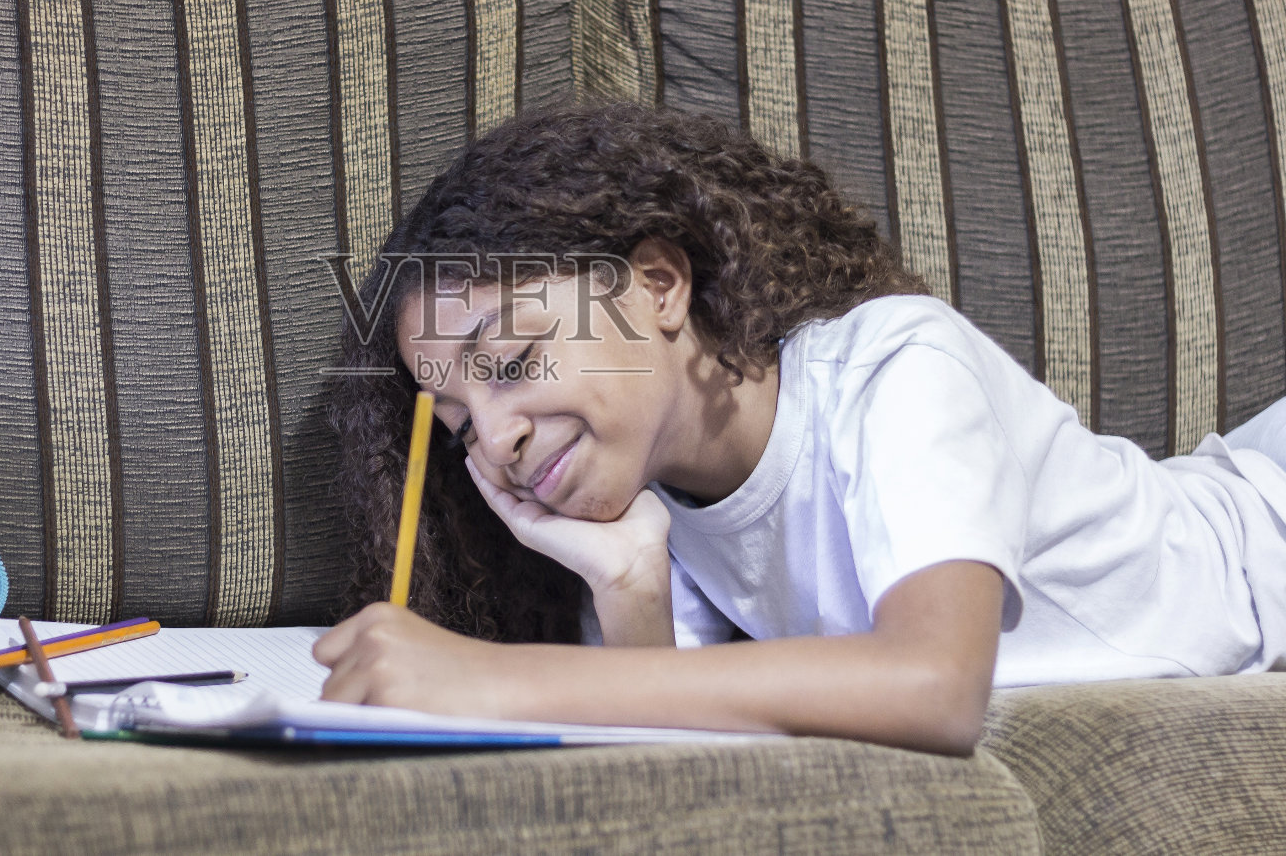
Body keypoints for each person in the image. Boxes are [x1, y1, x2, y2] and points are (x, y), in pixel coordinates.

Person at [313, 101, 1286, 755]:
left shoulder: (897, 369)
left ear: (657, 283)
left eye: (512, 362)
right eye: (456, 421)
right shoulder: (659, 504)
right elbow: (675, 752)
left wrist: (494, 680)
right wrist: (627, 581)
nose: (494, 436)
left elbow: (933, 685)